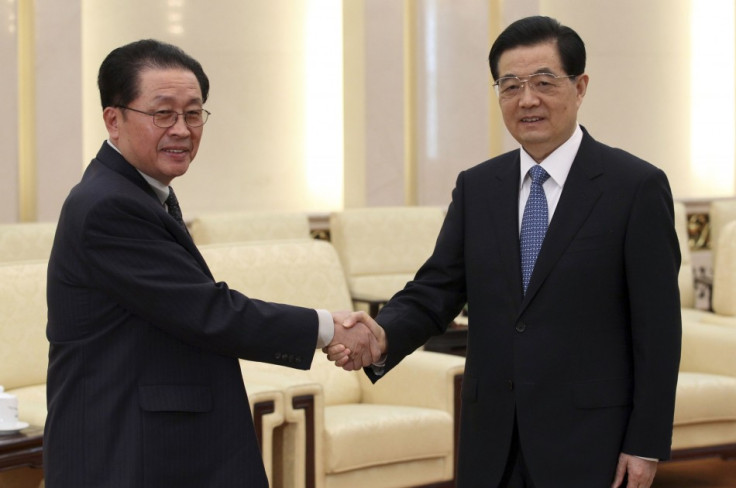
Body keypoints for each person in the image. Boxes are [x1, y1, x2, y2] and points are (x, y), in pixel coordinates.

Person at [326, 16, 681, 488]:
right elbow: (437, 290)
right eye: (509, 85)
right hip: (491, 437)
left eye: (543, 82)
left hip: (590, 440)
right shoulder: (478, 187)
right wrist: (381, 336)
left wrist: (645, 443)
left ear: (580, 87)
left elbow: (657, 332)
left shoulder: (634, 187)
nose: (526, 99)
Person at [45, 39, 379, 488]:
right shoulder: (108, 206)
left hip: (159, 444)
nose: (181, 129)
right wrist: (327, 328)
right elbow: (208, 312)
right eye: (163, 113)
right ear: (114, 119)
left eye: (193, 113)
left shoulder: (136, 192)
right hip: (128, 452)